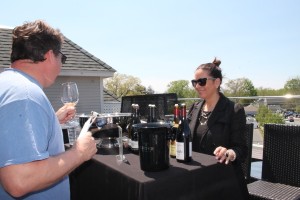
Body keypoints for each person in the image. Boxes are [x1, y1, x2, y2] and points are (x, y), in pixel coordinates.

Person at [0, 20, 97, 199]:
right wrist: (79, 153)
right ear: (51, 55)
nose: (62, 64)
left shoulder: (8, 85)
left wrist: (51, 119)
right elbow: (19, 180)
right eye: (63, 58)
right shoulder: (25, 94)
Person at [187, 58, 249, 199]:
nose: (197, 86)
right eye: (194, 82)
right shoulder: (193, 108)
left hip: (223, 182)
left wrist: (229, 152)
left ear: (217, 82)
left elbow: (242, 149)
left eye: (201, 81)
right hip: (197, 179)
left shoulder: (234, 110)